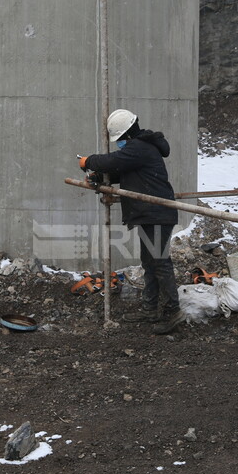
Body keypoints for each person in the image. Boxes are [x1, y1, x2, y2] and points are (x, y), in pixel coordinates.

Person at [81, 109, 182, 335]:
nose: (119, 145)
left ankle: (172, 311)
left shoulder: (140, 147)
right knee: (150, 261)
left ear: (126, 134)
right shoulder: (141, 149)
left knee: (159, 262)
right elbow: (124, 172)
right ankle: (150, 308)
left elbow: (113, 161)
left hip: (157, 213)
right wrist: (99, 177)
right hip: (151, 214)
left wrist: (90, 162)